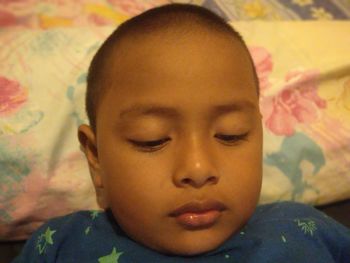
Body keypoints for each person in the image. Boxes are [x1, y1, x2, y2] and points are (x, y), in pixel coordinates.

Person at [13, 3, 350, 262]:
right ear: (96, 157)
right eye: (152, 139)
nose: (198, 169)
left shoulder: (306, 229)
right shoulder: (61, 245)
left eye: (230, 135)